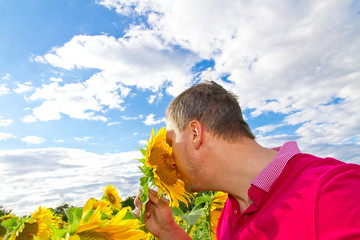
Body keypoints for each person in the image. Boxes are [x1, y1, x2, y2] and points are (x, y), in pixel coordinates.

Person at [134, 81, 360, 239]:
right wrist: (169, 232)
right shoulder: (228, 215)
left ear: (195, 133)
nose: (171, 161)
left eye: (171, 143)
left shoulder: (333, 192)